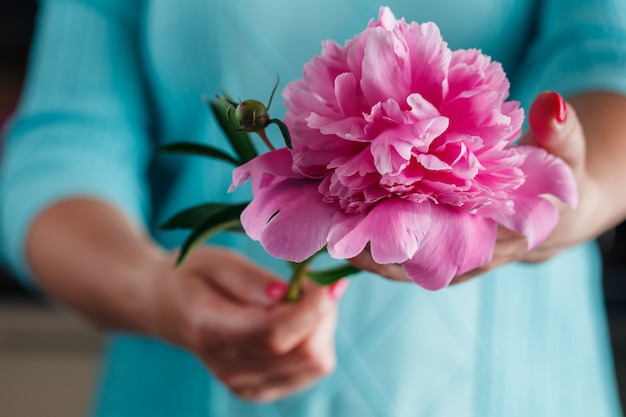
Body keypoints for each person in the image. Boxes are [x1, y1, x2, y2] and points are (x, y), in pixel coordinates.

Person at [2, 0, 626, 416]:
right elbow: (64, 142)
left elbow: (610, 55)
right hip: (182, 380)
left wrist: (587, 183)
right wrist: (149, 290)